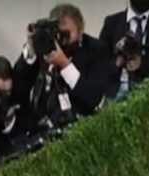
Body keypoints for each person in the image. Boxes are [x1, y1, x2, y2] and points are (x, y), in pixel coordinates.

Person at [14, 3, 108, 134]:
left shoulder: (96, 50)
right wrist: (31, 47)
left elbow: (93, 97)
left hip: (81, 127)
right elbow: (18, 84)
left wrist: (65, 65)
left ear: (80, 31)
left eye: (66, 34)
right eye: (57, 34)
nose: (61, 40)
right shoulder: (46, 48)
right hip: (42, 128)